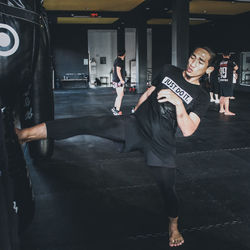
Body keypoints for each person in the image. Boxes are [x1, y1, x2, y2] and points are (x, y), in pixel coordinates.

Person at [16, 46, 216, 247]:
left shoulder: (201, 96)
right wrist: (136, 110)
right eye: (192, 57)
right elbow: (149, 92)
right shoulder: (168, 70)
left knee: (167, 188)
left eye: (200, 61)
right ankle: (25, 135)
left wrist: (178, 103)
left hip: (160, 143)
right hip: (135, 126)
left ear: (208, 69)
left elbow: (189, 130)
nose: (193, 63)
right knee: (87, 123)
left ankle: (173, 225)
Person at [111, 49, 126, 116]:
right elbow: (118, 71)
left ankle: (114, 108)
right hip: (118, 81)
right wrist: (121, 80)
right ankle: (117, 110)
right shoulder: (119, 61)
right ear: (124, 54)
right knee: (120, 96)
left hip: (116, 80)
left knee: (120, 94)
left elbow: (114, 70)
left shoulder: (116, 60)